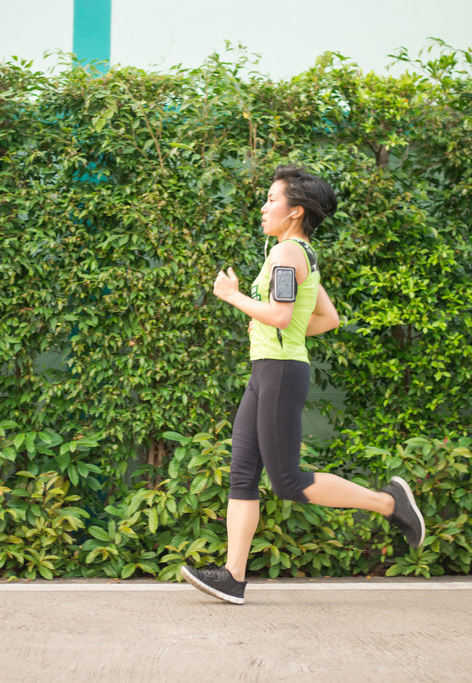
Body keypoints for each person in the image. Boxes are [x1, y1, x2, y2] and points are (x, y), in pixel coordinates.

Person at [181, 166, 426, 605]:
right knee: (242, 474)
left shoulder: (287, 255)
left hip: (278, 370)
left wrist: (233, 295)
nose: (263, 207)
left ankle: (389, 504)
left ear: (294, 211)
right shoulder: (301, 254)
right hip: (268, 368)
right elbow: (325, 319)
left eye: (272, 200)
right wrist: (286, 334)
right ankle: (232, 577)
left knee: (288, 481)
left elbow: (278, 316)